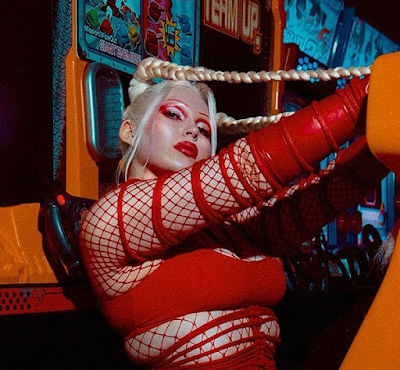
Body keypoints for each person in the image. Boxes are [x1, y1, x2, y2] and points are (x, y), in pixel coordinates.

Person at [79, 63, 389, 369]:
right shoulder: (108, 219)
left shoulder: (229, 224)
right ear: (129, 131)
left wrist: (386, 134)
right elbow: (247, 167)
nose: (192, 131)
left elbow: (326, 193)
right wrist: (366, 96)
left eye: (204, 130)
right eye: (173, 115)